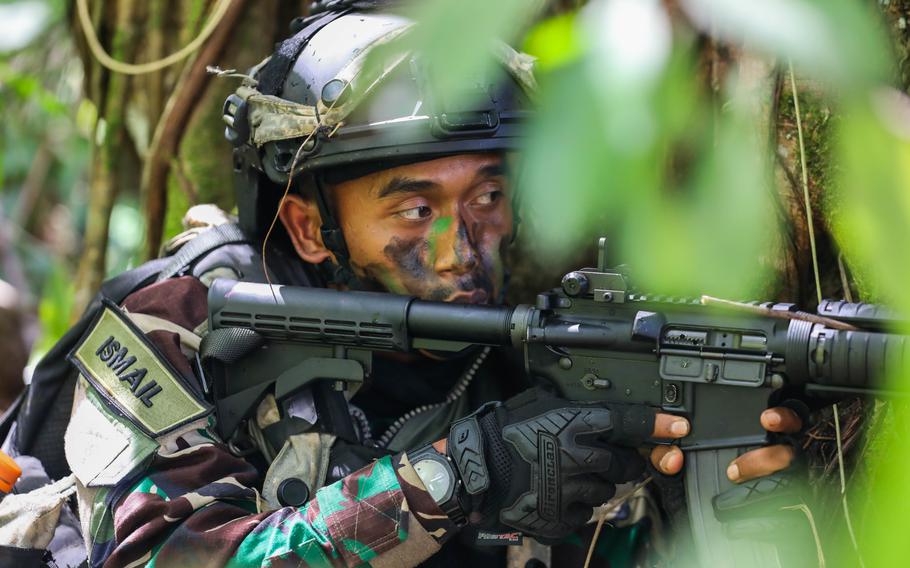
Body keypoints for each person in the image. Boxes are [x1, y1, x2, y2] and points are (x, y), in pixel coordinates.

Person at [1, 2, 804, 566]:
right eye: (415, 209)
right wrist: (461, 474)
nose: (463, 247)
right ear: (311, 227)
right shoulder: (181, 323)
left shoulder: (530, 343)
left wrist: (702, 486)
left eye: (487, 197)